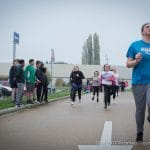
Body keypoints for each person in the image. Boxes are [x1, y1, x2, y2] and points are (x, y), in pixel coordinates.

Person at [126, 23, 150, 143]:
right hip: (139, 82)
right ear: (142, 31)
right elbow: (128, 64)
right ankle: (139, 132)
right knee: (140, 110)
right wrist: (136, 60)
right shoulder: (135, 45)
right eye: (147, 26)